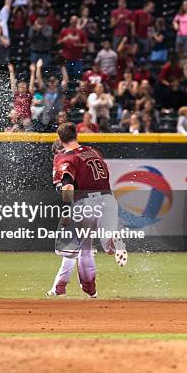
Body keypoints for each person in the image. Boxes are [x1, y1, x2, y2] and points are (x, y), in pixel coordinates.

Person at [47, 123, 127, 298]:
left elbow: (67, 185)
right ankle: (112, 242)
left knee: (78, 247)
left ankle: (70, 287)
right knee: (102, 243)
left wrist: (68, 209)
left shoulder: (65, 158)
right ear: (76, 134)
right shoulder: (93, 151)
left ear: (60, 139)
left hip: (85, 203)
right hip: (107, 198)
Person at [58, 15, 86, 81]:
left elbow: (86, 44)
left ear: (77, 21)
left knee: (77, 76)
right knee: (65, 77)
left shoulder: (81, 32)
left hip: (77, 58)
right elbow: (58, 42)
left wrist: (79, 44)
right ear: (70, 21)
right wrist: (65, 39)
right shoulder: (65, 30)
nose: (74, 21)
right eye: (73, 20)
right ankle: (64, 90)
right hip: (66, 58)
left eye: (75, 20)